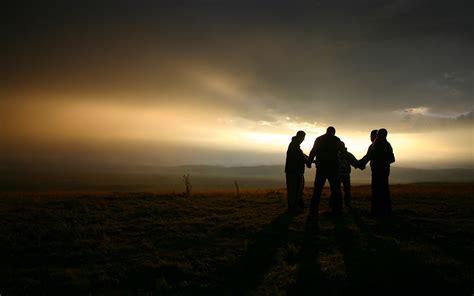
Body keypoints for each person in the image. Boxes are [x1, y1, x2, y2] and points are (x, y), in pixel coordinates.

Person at [307, 126, 343, 216]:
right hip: (333, 168)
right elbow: (343, 152)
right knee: (335, 190)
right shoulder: (336, 140)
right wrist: (356, 163)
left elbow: (313, 151)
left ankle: (313, 211)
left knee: (317, 190)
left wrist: (309, 162)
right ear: (334, 132)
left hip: (321, 168)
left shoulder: (319, 139)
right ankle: (336, 210)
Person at [359, 128, 395, 217]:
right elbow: (392, 159)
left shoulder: (375, 145)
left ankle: (376, 212)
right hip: (385, 171)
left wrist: (360, 164)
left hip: (377, 171)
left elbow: (368, 156)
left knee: (376, 191)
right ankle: (386, 211)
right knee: (384, 190)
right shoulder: (387, 145)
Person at [285, 130, 308, 213]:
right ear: (300, 137)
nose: (303, 140)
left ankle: (295, 207)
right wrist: (308, 161)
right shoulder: (295, 145)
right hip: (294, 171)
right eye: (303, 138)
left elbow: (302, 154)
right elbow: (301, 156)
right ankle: (293, 208)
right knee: (294, 190)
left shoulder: (294, 145)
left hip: (293, 171)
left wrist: (310, 160)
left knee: (295, 190)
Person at [337, 142, 359, 209]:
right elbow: (355, 162)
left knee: (338, 190)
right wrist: (360, 165)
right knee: (345, 190)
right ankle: (346, 203)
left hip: (339, 174)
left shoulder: (335, 154)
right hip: (344, 174)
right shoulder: (348, 155)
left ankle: (337, 204)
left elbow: (355, 162)